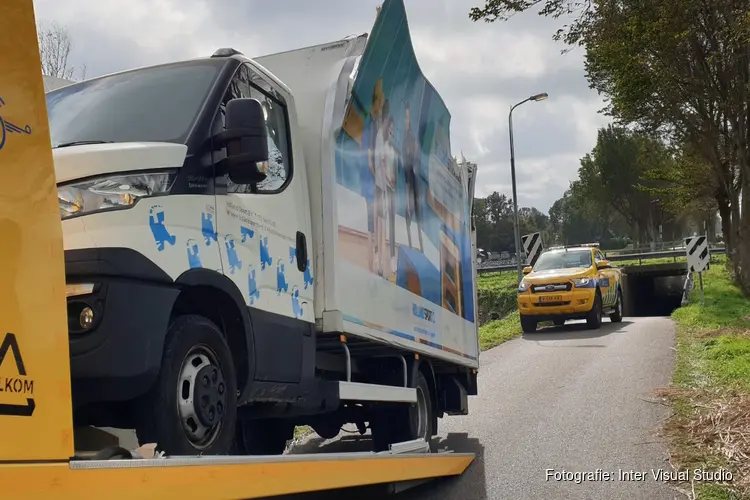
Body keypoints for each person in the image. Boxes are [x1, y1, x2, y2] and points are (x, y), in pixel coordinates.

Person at [361, 80, 384, 273]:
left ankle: (375, 259)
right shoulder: (370, 123)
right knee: (371, 219)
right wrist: (376, 173)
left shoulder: (375, 123)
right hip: (371, 179)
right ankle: (372, 261)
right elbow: (369, 155)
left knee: (375, 219)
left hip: (375, 179)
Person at [401, 102, 424, 252]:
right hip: (409, 182)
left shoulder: (416, 158)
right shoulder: (407, 141)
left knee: (417, 213)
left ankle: (419, 245)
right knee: (410, 213)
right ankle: (411, 243)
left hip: (413, 183)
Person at [373, 99, 390, 277]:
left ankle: (378, 260)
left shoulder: (379, 134)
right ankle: (379, 263)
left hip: (378, 183)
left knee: (379, 223)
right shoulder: (381, 136)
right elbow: (382, 162)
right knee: (380, 223)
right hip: (381, 184)